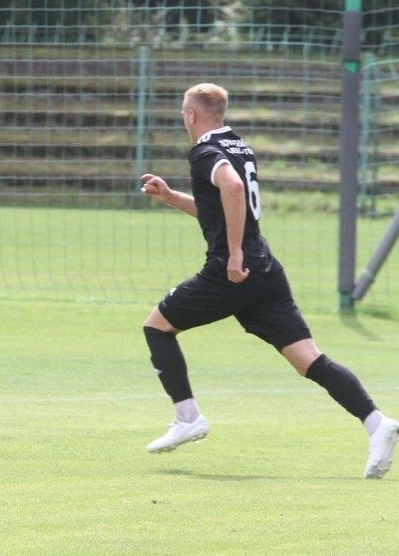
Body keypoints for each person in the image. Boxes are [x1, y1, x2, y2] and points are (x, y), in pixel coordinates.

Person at [140, 83, 399, 478]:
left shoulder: (205, 151)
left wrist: (235, 253)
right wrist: (172, 197)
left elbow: (231, 188)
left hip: (233, 271)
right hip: (265, 272)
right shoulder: (239, 146)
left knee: (157, 326)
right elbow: (224, 205)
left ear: (192, 115)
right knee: (308, 360)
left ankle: (187, 417)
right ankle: (377, 423)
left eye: (182, 112)